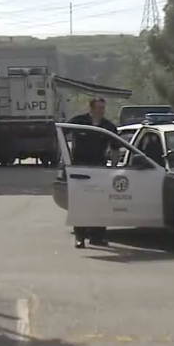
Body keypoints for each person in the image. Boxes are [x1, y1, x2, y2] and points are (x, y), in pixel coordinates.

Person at [68, 97, 119, 248]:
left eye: (103, 108)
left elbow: (115, 148)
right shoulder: (79, 121)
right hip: (80, 168)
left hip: (100, 168)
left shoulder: (108, 126)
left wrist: (113, 168)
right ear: (91, 108)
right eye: (99, 108)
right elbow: (61, 134)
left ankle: (98, 236)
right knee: (81, 204)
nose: (101, 111)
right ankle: (80, 236)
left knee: (100, 203)